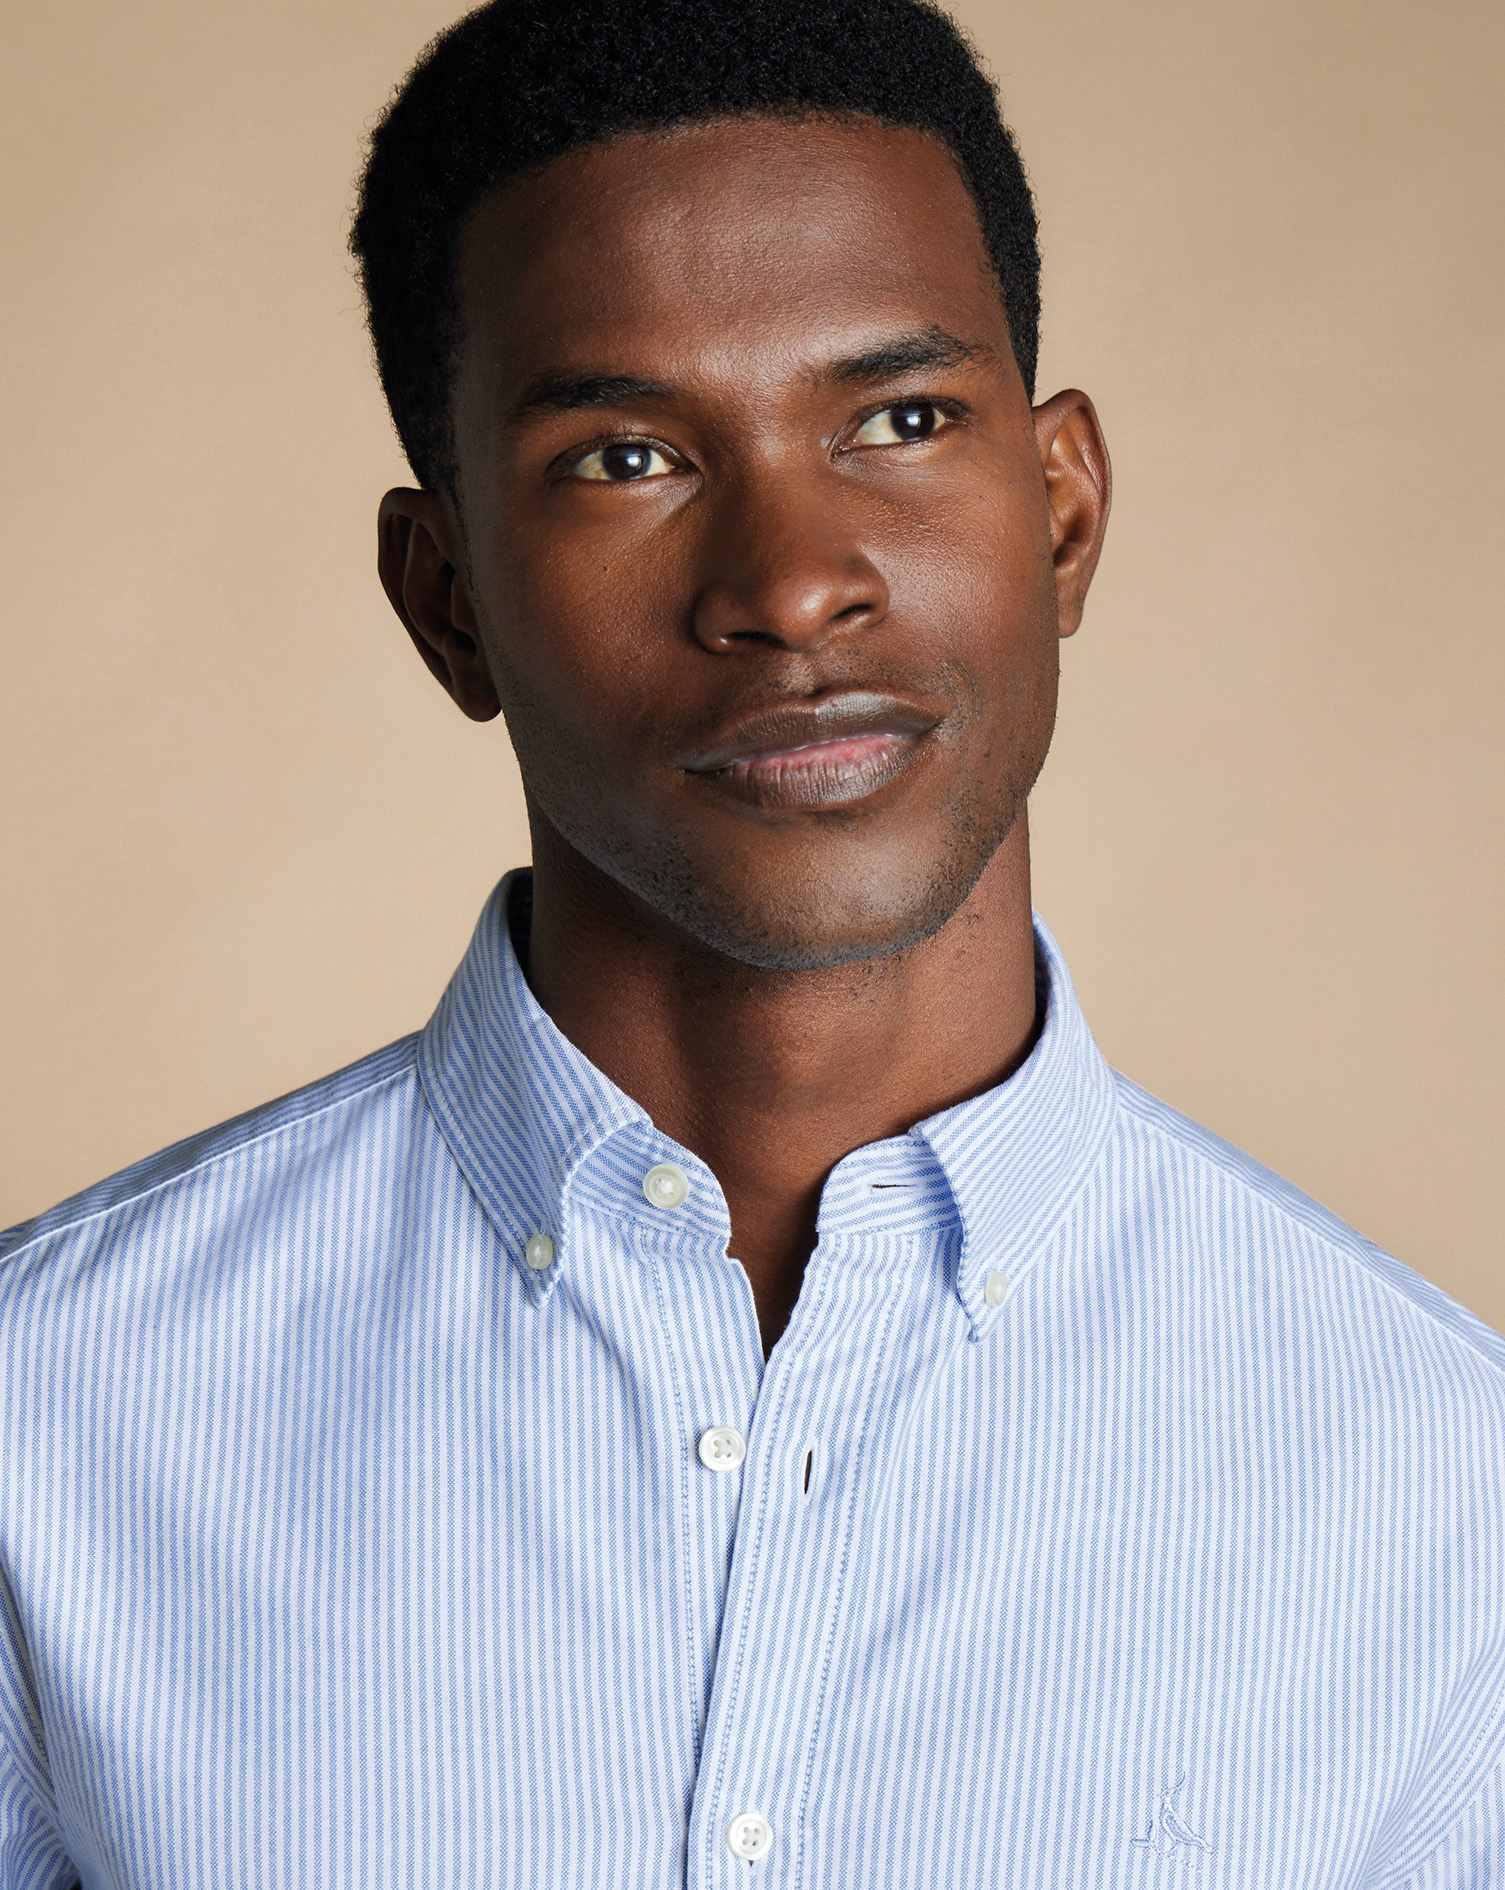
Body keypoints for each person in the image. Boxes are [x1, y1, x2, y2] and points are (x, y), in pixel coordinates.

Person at [2, 0, 1502, 1882]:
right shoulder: (45, 1422)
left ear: (1061, 513)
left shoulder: (1447, 1499)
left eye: (896, 418)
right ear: (445, 599)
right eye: (626, 457)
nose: (791, 581)